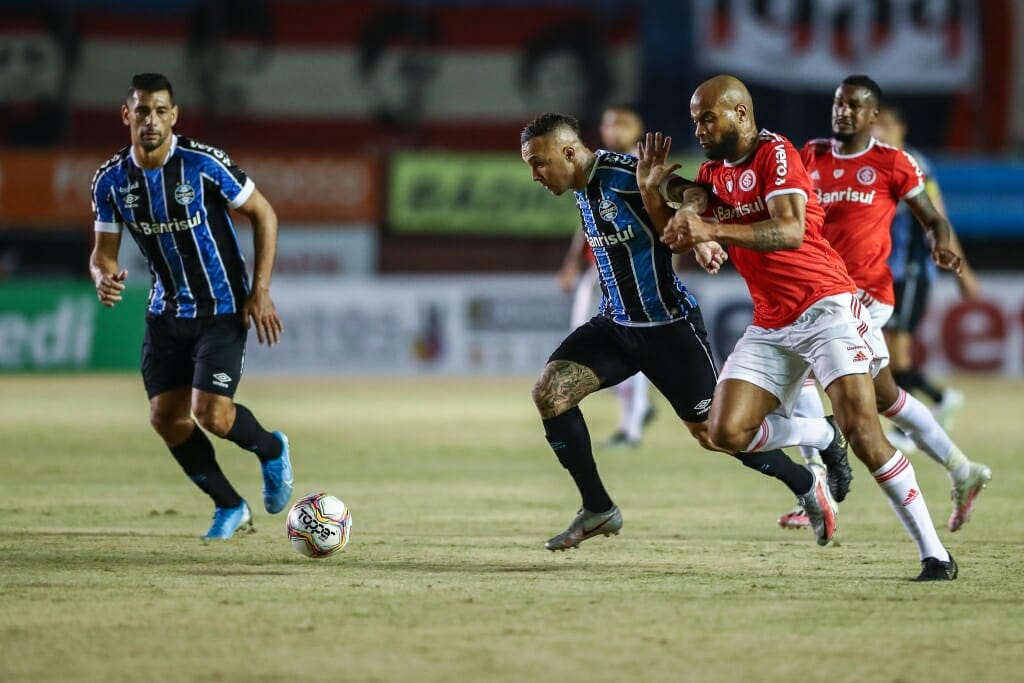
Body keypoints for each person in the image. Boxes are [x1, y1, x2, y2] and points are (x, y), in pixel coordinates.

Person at [652, 74, 958, 580]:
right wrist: (660, 185)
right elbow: (691, 198)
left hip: (826, 308)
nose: (700, 127)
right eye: (694, 120)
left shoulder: (776, 154)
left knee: (865, 429)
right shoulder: (713, 173)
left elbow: (790, 230)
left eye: (708, 116)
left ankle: (936, 555)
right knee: (725, 430)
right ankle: (818, 433)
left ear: (742, 114)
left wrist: (711, 229)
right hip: (772, 322)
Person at [521, 112, 844, 553]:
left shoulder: (624, 174)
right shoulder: (581, 189)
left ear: (570, 152)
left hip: (669, 329)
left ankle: (807, 477)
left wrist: (700, 232)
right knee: (550, 392)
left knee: (715, 435)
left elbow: (693, 192)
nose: (535, 175)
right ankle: (598, 508)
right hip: (615, 326)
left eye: (539, 163)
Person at [89, 73, 293, 539]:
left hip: (222, 309)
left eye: (161, 111)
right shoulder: (110, 181)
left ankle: (270, 448)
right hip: (166, 313)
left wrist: (259, 290)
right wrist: (102, 275)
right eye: (142, 111)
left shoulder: (202, 164)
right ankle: (230, 506)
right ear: (127, 115)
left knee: (213, 414)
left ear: (174, 116)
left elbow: (265, 212)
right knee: (165, 417)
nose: (152, 121)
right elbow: (102, 253)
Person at [785, 75, 990, 534]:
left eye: (855, 106)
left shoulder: (895, 163)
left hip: (866, 298)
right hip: (818, 293)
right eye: (839, 103)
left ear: (872, 116)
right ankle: (962, 469)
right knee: (886, 398)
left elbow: (933, 217)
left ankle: (815, 487)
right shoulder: (808, 156)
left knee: (803, 376)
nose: (844, 111)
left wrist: (940, 243)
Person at [872, 104, 980, 433]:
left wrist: (963, 274)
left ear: (902, 129)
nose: (879, 132)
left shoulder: (915, 166)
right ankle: (940, 398)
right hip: (883, 274)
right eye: (875, 125)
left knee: (896, 353)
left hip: (912, 270)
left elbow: (939, 218)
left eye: (886, 125)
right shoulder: (869, 165)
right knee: (886, 356)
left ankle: (908, 427)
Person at [556, 105, 656, 448]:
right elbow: (585, 220)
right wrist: (572, 262)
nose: (612, 129)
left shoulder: (641, 169)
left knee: (630, 342)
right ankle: (637, 406)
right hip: (597, 269)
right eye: (607, 123)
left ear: (636, 127)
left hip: (628, 271)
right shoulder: (596, 166)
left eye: (620, 123)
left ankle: (633, 424)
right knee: (583, 342)